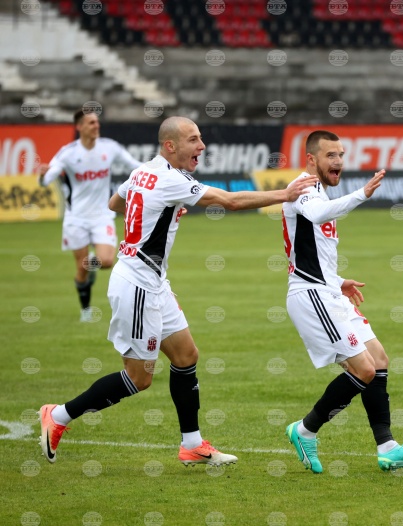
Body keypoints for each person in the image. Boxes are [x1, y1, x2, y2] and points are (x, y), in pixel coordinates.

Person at [38, 116, 318, 466]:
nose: (202, 145)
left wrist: (146, 217)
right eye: (193, 139)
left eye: (200, 138)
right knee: (139, 378)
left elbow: (114, 203)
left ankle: (192, 444)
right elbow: (229, 201)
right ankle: (59, 415)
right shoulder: (170, 179)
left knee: (186, 356)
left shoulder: (144, 171)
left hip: (153, 281)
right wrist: (285, 194)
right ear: (170, 146)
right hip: (137, 285)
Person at [283, 130, 403, 474]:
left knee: (378, 360)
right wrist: (362, 193)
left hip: (329, 291)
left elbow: (310, 250)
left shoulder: (319, 191)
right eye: (330, 155)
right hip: (310, 294)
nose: (338, 161)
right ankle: (304, 430)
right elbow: (319, 215)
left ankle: (388, 448)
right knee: (363, 370)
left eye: (340, 155)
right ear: (311, 160)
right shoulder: (303, 188)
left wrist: (339, 281)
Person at [39, 110, 143, 322]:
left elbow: (135, 166)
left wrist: (158, 171)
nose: (96, 126)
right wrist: (42, 175)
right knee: (81, 268)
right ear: (79, 127)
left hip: (102, 215)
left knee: (106, 260)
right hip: (76, 218)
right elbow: (47, 179)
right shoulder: (68, 153)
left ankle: (92, 268)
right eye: (91, 123)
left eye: (97, 122)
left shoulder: (109, 147)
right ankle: (86, 310)